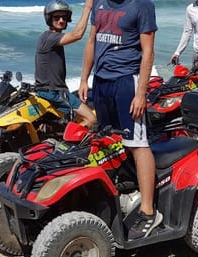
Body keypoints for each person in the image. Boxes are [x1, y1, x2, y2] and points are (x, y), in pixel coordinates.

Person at [79, 0, 160, 240]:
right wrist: (84, 79)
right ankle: (121, 194)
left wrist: (141, 92)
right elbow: (92, 41)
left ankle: (148, 211)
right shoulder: (99, 3)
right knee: (109, 141)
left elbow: (148, 51)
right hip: (101, 82)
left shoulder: (142, 5)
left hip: (127, 81)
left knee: (136, 143)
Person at [35, 0, 97, 128]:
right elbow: (77, 35)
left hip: (48, 91)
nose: (61, 20)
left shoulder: (50, 38)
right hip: (53, 92)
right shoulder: (50, 38)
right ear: (49, 19)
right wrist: (87, 8)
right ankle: (68, 139)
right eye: (56, 17)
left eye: (64, 17)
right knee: (91, 119)